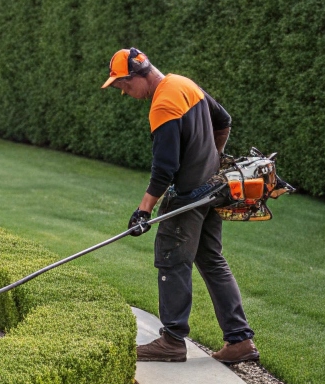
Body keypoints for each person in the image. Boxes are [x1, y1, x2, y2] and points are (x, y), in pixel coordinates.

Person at [102, 47, 259, 364]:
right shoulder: (185, 84)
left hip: (187, 197)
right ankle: (240, 340)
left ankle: (172, 341)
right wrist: (213, 162)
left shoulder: (163, 104)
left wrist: (144, 210)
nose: (123, 92)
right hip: (212, 190)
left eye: (123, 85)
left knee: (172, 261)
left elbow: (165, 168)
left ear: (137, 75)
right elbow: (224, 120)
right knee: (212, 260)